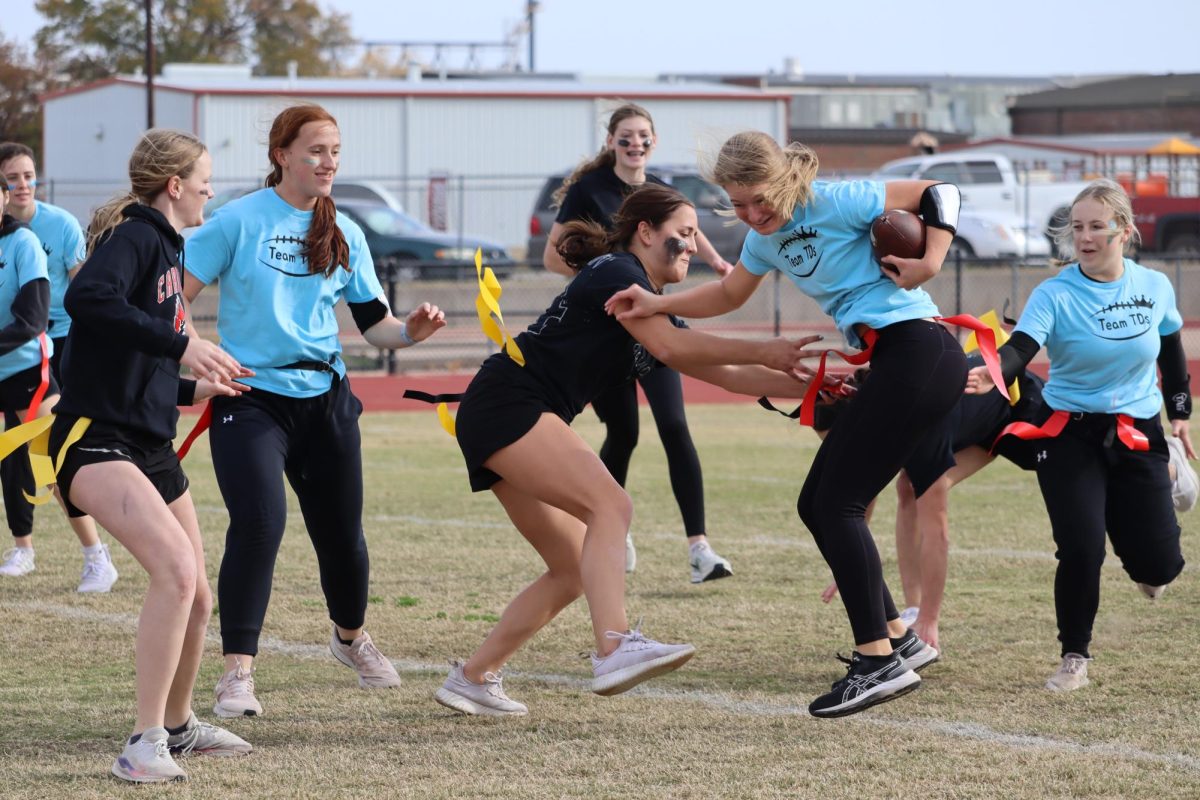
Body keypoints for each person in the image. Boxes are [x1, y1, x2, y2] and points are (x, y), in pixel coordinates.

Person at [607, 131, 960, 718]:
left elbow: (938, 190)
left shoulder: (834, 199)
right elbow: (726, 293)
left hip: (918, 351)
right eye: (736, 204)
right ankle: (897, 638)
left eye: (756, 200)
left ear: (782, 180)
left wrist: (932, 259)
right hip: (899, 360)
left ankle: (878, 660)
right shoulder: (763, 240)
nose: (749, 214)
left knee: (834, 505)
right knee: (818, 502)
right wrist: (657, 303)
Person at [436, 184, 821, 716]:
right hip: (510, 404)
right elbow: (673, 348)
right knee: (611, 505)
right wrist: (767, 348)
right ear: (645, 232)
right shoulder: (619, 272)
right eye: (682, 234)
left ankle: (472, 678)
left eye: (694, 236)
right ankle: (614, 647)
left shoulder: (652, 307)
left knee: (571, 569)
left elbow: (727, 374)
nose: (691, 246)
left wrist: (823, 387)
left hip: (500, 411)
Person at [183, 103, 446, 718]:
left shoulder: (347, 231)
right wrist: (193, 351)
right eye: (315, 151)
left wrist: (411, 333)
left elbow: (376, 327)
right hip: (249, 400)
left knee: (342, 537)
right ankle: (237, 673)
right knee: (259, 524)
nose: (328, 163)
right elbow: (177, 298)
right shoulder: (235, 219)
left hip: (326, 400)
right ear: (282, 155)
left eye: (334, 152)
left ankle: (350, 638)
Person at [45, 129, 253, 782]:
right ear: (174, 185)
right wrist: (180, 348)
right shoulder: (137, 237)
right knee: (175, 574)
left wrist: (196, 383)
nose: (210, 191)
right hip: (94, 439)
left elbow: (134, 358)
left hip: (145, 443)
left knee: (197, 598)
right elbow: (86, 300)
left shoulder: (165, 249)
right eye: (204, 180)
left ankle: (179, 725)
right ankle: (141, 744)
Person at [965, 179, 1191, 692]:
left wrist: (1179, 410)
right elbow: (1022, 345)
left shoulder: (1153, 286)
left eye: (1096, 226)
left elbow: (1171, 347)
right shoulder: (1056, 291)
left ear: (1124, 231)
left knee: (1159, 569)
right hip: (1069, 433)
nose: (1084, 237)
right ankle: (1074, 656)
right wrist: (993, 371)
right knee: (1081, 546)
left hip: (1139, 432)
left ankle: (1171, 466)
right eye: (1077, 227)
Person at [542, 103, 735, 581]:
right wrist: (600, 281)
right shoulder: (590, 190)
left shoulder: (656, 192)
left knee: (674, 424)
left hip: (654, 316)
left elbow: (685, 230)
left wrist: (717, 263)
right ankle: (611, 527)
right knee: (624, 431)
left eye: (643, 135)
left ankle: (700, 549)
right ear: (611, 141)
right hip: (611, 327)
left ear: (654, 140)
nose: (635, 143)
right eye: (626, 135)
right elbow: (552, 254)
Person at [815, 365, 1048, 652]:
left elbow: (937, 534)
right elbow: (858, 501)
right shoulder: (883, 408)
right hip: (979, 420)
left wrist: (930, 619)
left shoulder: (922, 426)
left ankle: (922, 614)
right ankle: (912, 609)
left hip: (1022, 409)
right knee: (909, 487)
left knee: (922, 489)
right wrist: (847, 562)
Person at [0, 142, 116, 592]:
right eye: (14, 176)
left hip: (54, 344)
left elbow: (80, 286)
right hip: (19, 346)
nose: (23, 183)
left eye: (28, 175)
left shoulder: (49, 229)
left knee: (49, 452)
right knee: (16, 458)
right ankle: (24, 547)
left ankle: (96, 554)